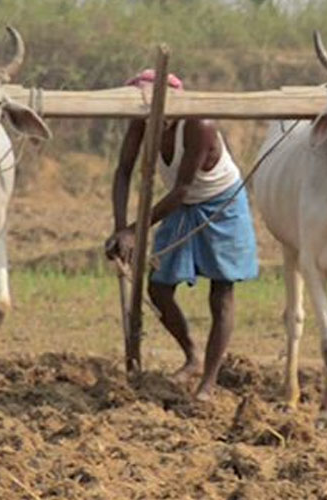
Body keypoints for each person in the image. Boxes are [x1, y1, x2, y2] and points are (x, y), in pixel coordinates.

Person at [105, 69, 258, 401]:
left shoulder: (199, 126)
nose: (151, 116)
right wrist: (121, 230)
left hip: (221, 204)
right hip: (181, 205)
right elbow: (123, 171)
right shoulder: (140, 122)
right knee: (158, 289)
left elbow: (182, 189)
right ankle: (192, 356)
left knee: (221, 292)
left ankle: (208, 383)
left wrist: (135, 230)